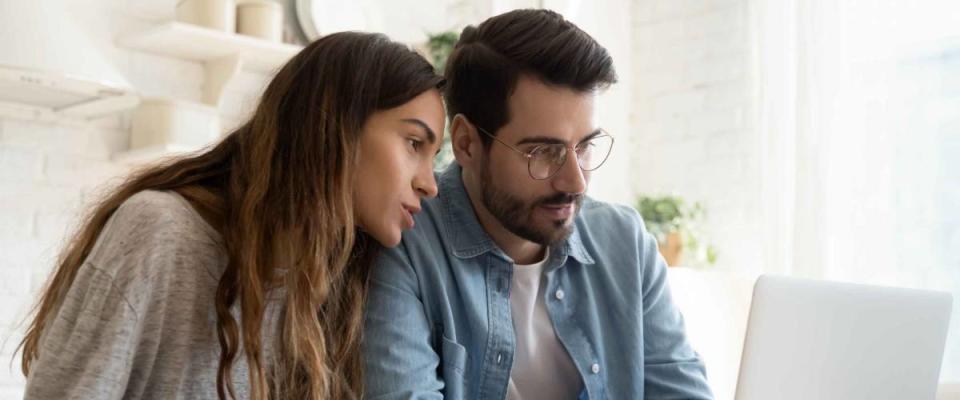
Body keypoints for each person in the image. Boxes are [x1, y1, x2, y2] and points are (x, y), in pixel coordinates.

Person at [17, 31, 445, 400]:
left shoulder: (336, 283)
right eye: (413, 143)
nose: (430, 183)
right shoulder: (159, 232)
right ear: (337, 128)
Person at [363, 9, 714, 399]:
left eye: (584, 146)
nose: (575, 181)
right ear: (466, 144)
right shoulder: (405, 243)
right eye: (543, 152)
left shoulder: (625, 243)